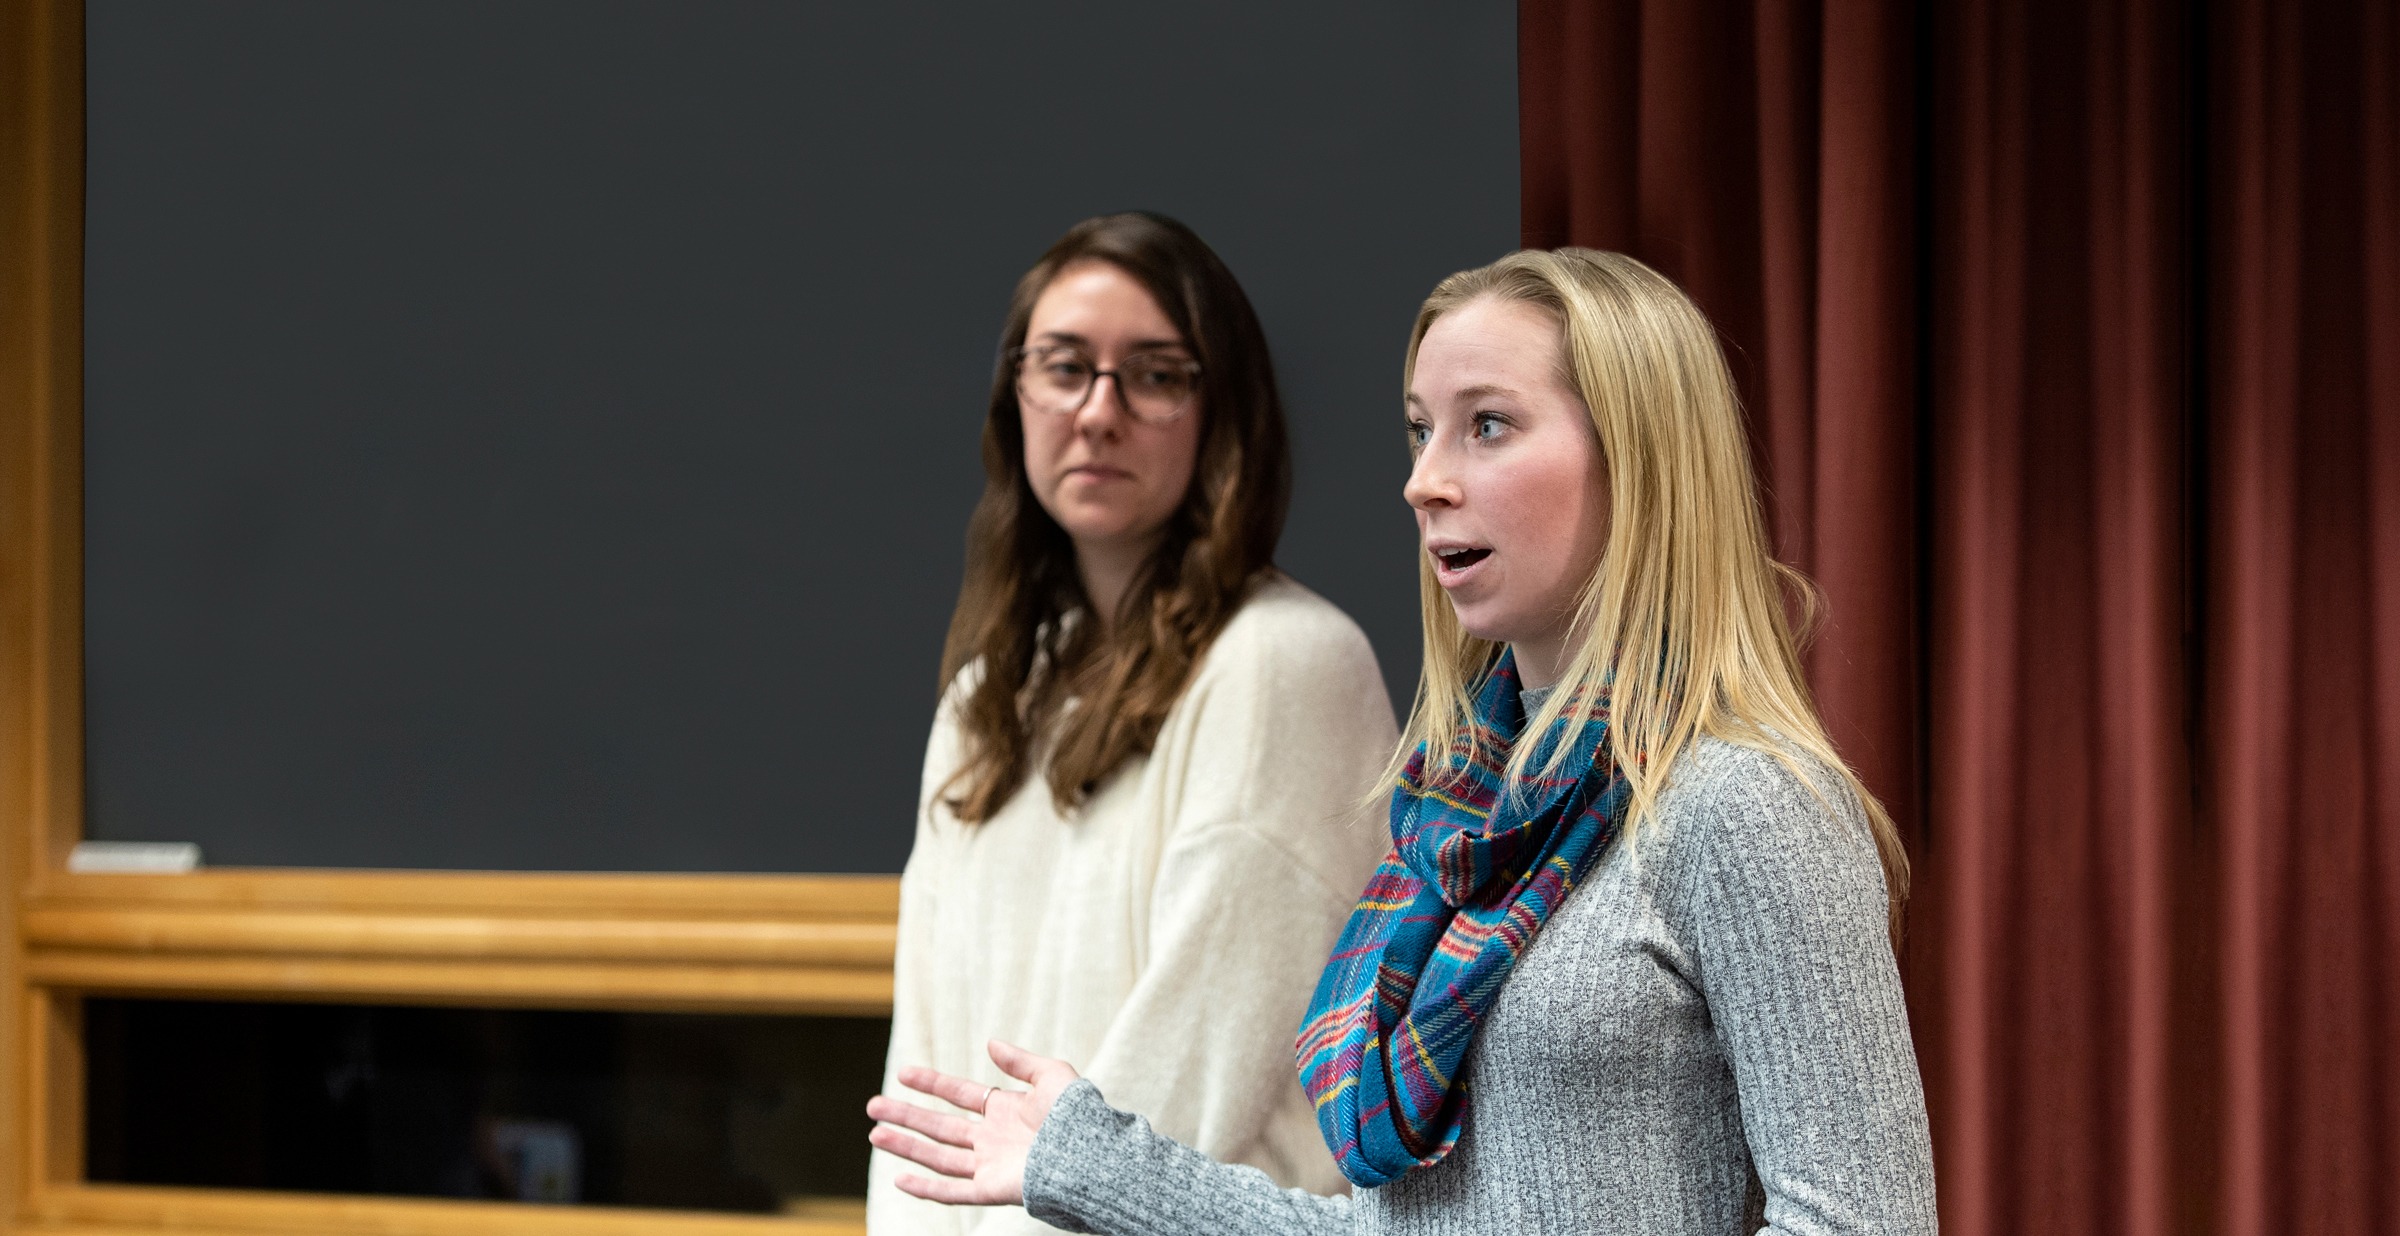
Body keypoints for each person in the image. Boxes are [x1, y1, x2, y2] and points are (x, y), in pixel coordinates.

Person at [866, 248, 1939, 1235]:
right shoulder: (1455, 819)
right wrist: (1087, 1161)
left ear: (1641, 461)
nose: (1424, 479)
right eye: (1420, 429)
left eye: (1487, 425)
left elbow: (1860, 1227)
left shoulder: (1743, 804)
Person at [865, 212, 1399, 1235]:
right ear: (1015, 394)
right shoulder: (988, 695)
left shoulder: (1286, 662)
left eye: (1155, 375)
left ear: (1220, 413)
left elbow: (1188, 1098)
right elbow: (919, 1098)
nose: (1099, 412)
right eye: (1064, 366)